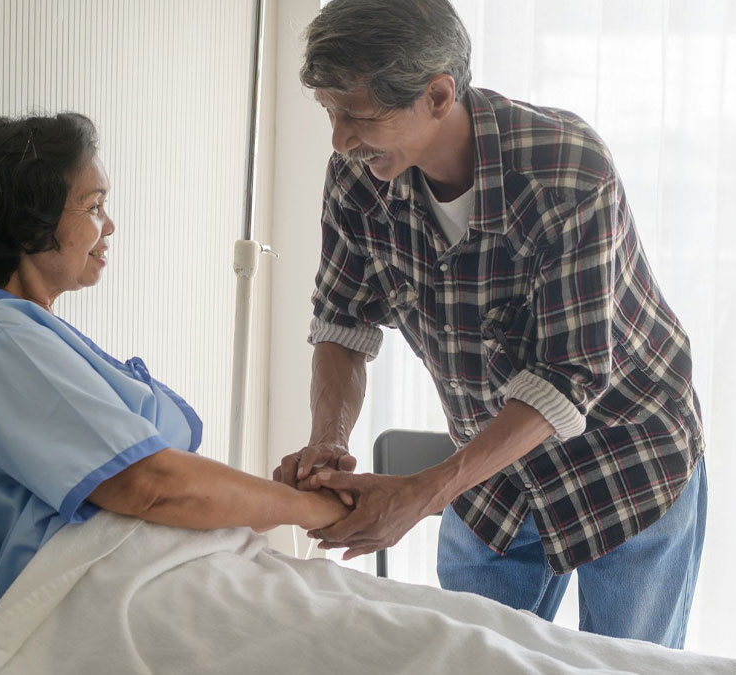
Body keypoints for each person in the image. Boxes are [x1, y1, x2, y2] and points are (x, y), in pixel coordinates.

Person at [274, 0, 707, 648]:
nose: (340, 140)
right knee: (471, 658)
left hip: (627, 460)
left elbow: (565, 379)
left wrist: (419, 497)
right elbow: (342, 323)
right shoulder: (359, 180)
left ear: (440, 94)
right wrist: (326, 440)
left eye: (359, 117)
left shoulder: (566, 171)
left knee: (628, 666)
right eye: (331, 114)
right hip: (493, 479)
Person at [0, 113, 349, 595]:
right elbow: (149, 484)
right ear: (28, 224)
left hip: (153, 569)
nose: (109, 225)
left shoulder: (22, 334)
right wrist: (319, 508)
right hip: (109, 585)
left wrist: (283, 502)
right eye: (93, 206)